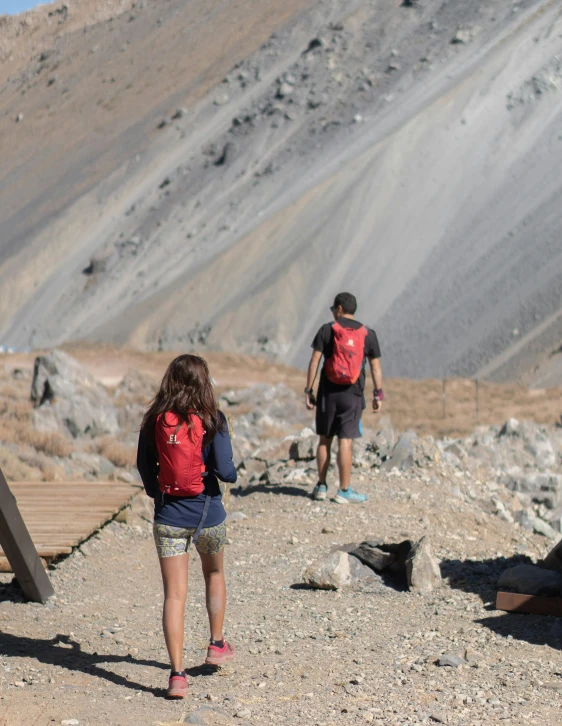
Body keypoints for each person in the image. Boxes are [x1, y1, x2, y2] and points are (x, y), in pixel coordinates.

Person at [136, 354, 237, 699]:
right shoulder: (213, 420)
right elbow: (226, 470)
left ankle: (177, 676)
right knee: (214, 574)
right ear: (203, 382)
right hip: (209, 515)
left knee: (174, 595)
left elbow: (144, 467)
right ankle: (216, 644)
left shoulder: (154, 421)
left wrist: (158, 493)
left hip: (169, 517)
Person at [305, 292, 383, 503]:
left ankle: (321, 486)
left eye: (333, 309)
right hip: (353, 395)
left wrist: (308, 390)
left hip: (328, 394)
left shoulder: (327, 330)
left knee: (324, 440)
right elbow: (375, 366)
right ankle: (344, 491)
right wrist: (378, 393)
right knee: (345, 441)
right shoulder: (368, 334)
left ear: (339, 309)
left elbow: (314, 361)